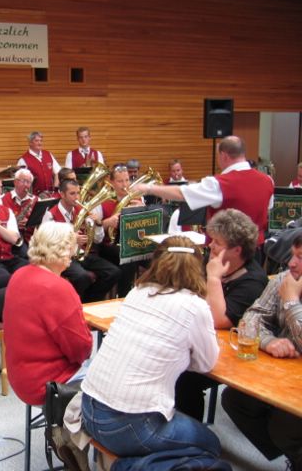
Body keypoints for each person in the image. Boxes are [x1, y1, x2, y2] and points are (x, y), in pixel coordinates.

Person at [80, 236, 230, 470]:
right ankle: (130, 466)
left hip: (88, 410)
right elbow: (206, 364)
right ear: (197, 268)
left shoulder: (137, 292)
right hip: (128, 425)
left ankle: (137, 462)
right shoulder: (194, 306)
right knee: (211, 444)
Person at [174, 209, 268, 421]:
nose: (211, 246)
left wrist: (214, 279)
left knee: (186, 377)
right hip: (202, 340)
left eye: (217, 242)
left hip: (235, 353)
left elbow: (219, 320)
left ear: (236, 250)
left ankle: (190, 433)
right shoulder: (212, 260)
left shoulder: (253, 281)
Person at [221, 233, 302, 470]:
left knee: (283, 425)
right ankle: (294, 455)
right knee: (235, 400)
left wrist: (291, 302)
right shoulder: (286, 279)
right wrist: (268, 342)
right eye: (292, 255)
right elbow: (252, 317)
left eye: (300, 257)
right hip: (287, 376)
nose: (291, 263)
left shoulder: (288, 289)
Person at [4, 221, 93, 407]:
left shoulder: (18, 275)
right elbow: (82, 350)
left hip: (20, 377)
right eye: (71, 248)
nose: (73, 253)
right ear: (61, 250)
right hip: (49, 385)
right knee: (117, 375)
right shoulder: (58, 288)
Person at [133, 136, 274, 247]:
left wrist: (148, 188)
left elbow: (182, 193)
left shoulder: (219, 183)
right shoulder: (268, 180)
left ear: (224, 155)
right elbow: (267, 210)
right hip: (255, 250)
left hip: (226, 253)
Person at [42, 179, 121, 302]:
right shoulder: (50, 214)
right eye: (72, 193)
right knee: (82, 277)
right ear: (62, 194)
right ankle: (76, 304)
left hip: (82, 254)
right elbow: (47, 243)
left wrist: (98, 224)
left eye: (78, 193)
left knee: (113, 272)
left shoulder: (81, 211)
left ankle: (89, 301)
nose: (77, 197)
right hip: (63, 257)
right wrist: (71, 240)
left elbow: (97, 240)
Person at [93, 164, 145, 297]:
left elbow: (145, 227)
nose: (125, 184)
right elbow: (93, 232)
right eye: (120, 181)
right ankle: (124, 296)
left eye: (127, 180)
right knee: (128, 256)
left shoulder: (138, 198)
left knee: (157, 256)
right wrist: (107, 223)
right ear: (111, 182)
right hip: (108, 245)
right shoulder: (102, 201)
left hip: (133, 242)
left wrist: (143, 210)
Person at [0, 168, 37, 252]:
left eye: (28, 182)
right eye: (23, 181)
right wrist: (14, 223)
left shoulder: (35, 200)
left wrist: (30, 222)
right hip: (11, 237)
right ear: (15, 182)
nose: (26, 185)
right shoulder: (2, 199)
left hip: (31, 237)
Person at [17, 131, 61, 197]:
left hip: (51, 195)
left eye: (41, 141)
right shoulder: (23, 160)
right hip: (34, 197)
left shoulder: (48, 154)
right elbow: (21, 183)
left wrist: (55, 190)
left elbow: (57, 172)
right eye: (36, 141)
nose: (40, 143)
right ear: (30, 143)